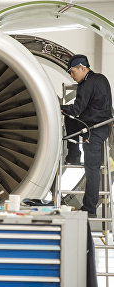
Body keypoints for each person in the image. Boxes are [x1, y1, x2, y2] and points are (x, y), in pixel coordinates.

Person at [61, 54, 112, 217]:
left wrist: (60, 107)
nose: (71, 76)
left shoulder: (87, 83)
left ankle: (90, 209)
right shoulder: (101, 78)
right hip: (97, 125)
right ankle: (74, 155)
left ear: (82, 68)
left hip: (95, 130)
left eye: (72, 72)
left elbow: (76, 110)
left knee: (92, 168)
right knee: (70, 122)